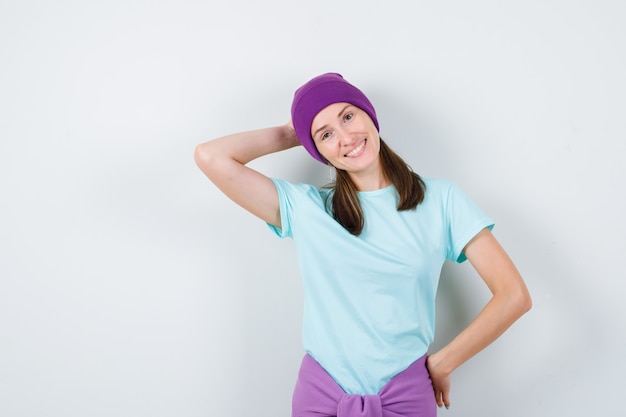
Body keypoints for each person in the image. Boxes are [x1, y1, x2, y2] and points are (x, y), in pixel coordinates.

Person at [194, 73, 532, 417]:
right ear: (316, 149)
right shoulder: (306, 208)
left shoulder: (442, 200)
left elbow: (513, 295)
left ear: (368, 114)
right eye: (325, 134)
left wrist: (444, 362)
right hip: (320, 397)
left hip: (406, 397)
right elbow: (210, 157)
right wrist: (290, 131)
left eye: (347, 116)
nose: (345, 137)